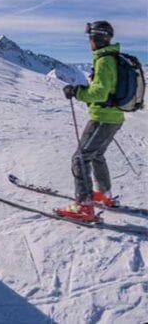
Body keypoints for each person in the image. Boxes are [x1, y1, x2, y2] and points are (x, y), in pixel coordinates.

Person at [56, 20, 124, 221]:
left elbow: (100, 93)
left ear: (97, 38)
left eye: (90, 38)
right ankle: (104, 194)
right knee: (96, 155)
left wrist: (77, 91)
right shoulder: (114, 58)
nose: (89, 42)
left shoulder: (104, 61)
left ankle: (84, 205)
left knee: (81, 157)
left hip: (102, 117)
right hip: (114, 117)